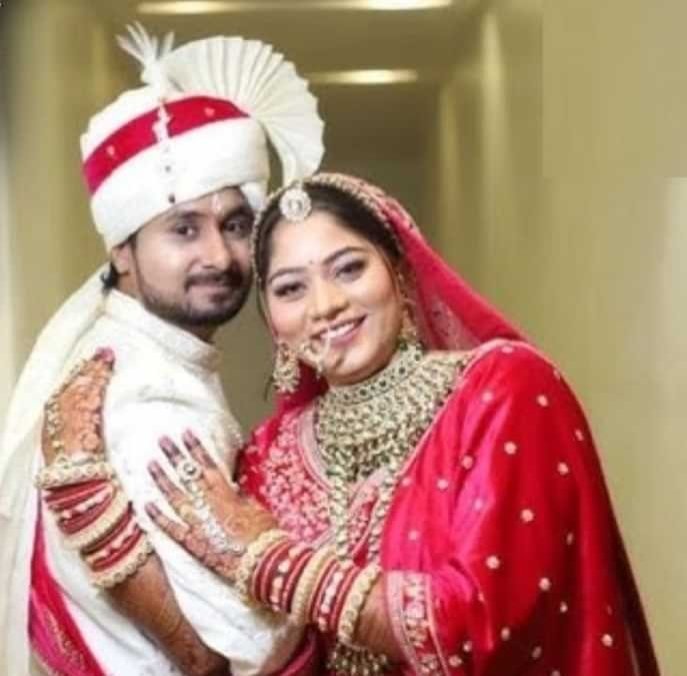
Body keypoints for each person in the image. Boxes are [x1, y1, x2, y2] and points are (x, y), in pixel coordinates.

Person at [42, 173, 660, 676]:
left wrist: (272, 562)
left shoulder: (503, 390)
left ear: (398, 268)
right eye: (291, 288)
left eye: (348, 269)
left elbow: (481, 627)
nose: (326, 305)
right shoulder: (270, 457)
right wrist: (95, 516)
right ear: (272, 320)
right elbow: (241, 660)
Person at [0, 23, 324, 676]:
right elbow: (246, 648)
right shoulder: (152, 400)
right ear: (122, 249)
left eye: (235, 225)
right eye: (184, 229)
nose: (219, 256)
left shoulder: (135, 357)